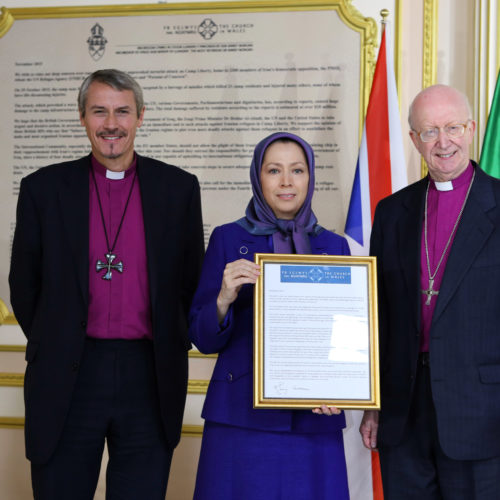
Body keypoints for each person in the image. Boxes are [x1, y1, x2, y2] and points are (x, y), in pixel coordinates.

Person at [9, 69, 204, 499]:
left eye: (122, 112)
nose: (111, 124)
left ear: (139, 117)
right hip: (68, 375)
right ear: (82, 117)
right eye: (99, 111)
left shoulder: (178, 189)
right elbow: (24, 283)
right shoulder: (43, 189)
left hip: (149, 376)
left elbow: (191, 282)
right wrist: (55, 339)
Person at [189, 132, 351, 499]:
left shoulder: (334, 246)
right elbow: (203, 338)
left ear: (311, 177)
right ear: (257, 177)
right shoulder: (227, 239)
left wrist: (340, 387)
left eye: (297, 170)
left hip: (314, 420)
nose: (286, 182)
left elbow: (347, 336)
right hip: (241, 416)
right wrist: (223, 299)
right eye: (274, 170)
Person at [359, 84, 500, 499]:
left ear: (471, 129)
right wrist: (373, 403)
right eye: (429, 131)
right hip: (403, 411)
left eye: (453, 127)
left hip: (482, 413)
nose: (443, 142)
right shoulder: (392, 212)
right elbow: (377, 313)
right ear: (413, 139)